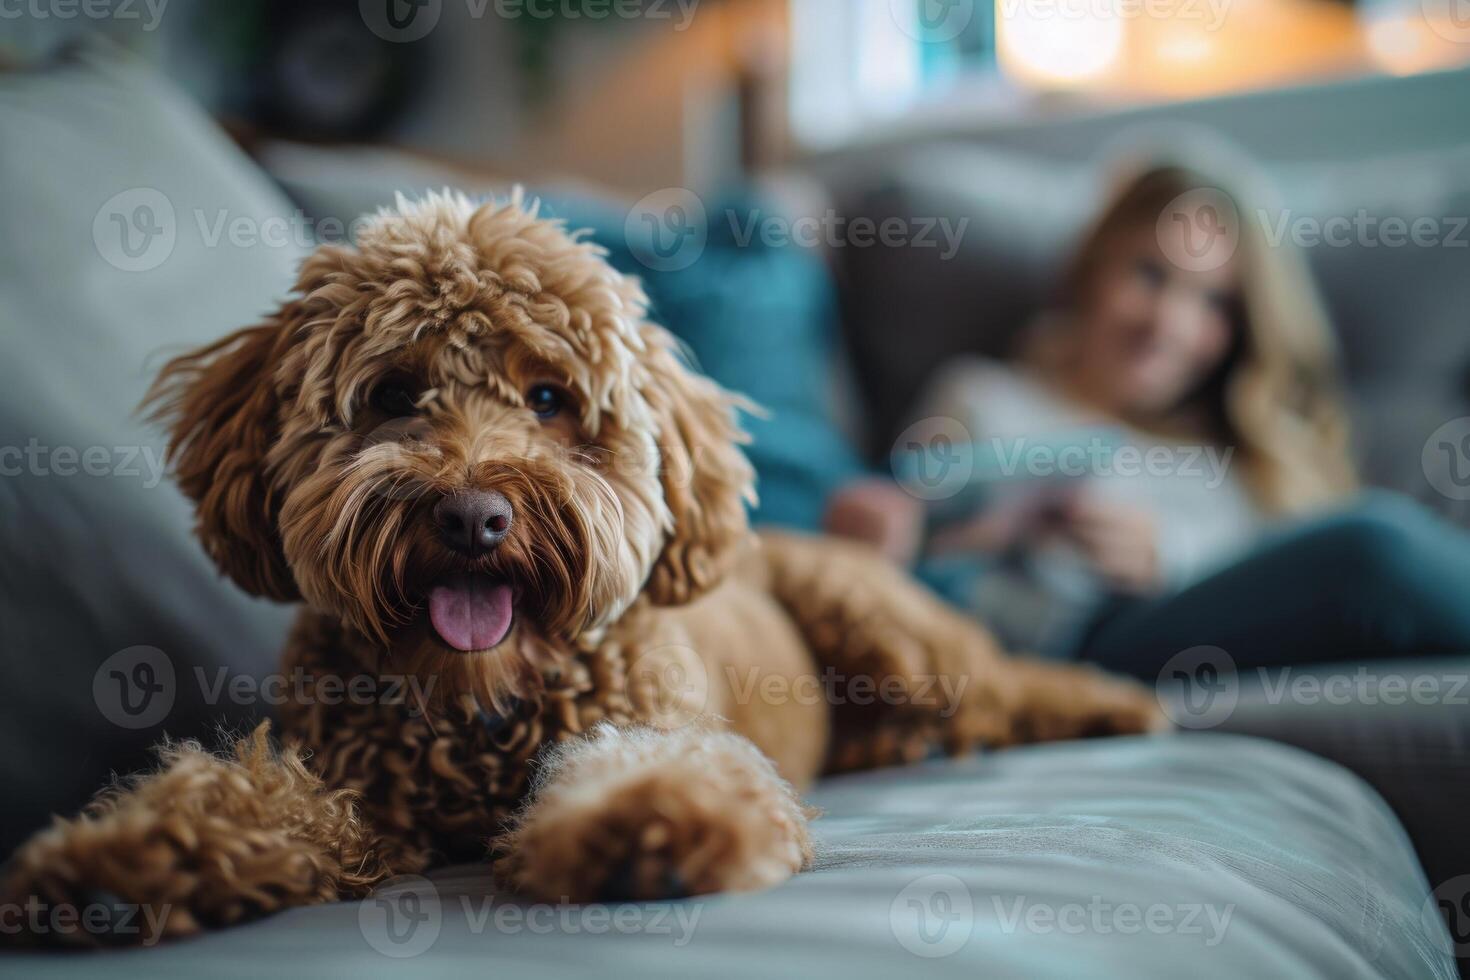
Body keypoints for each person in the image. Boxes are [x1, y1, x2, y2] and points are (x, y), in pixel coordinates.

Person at [825, 164, 1470, 676]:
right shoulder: (984, 396)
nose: (1170, 325)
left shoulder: (1231, 446)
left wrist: (1167, 558)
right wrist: (946, 534)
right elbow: (910, 531)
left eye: (1212, 301)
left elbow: (1273, 570)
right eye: (1149, 274)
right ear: (1092, 270)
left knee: (1370, 543)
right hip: (1079, 645)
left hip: (1180, 618)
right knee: (1371, 547)